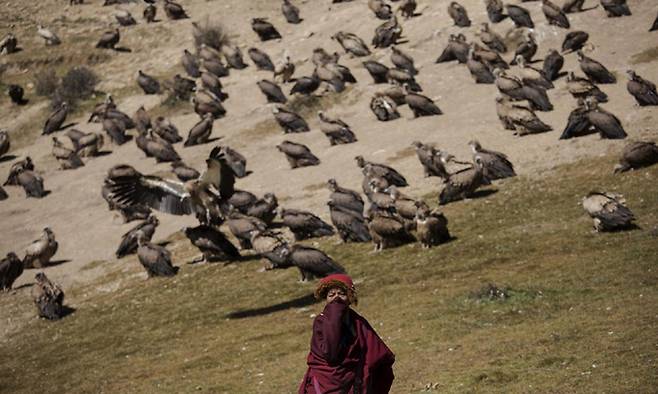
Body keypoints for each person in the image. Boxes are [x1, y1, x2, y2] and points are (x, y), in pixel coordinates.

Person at [298, 274, 395, 393]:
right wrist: (335, 314)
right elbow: (331, 353)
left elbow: (379, 354)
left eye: (341, 294)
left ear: (350, 298)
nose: (336, 299)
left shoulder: (358, 322)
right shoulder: (321, 322)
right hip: (323, 385)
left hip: (354, 385)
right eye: (331, 295)